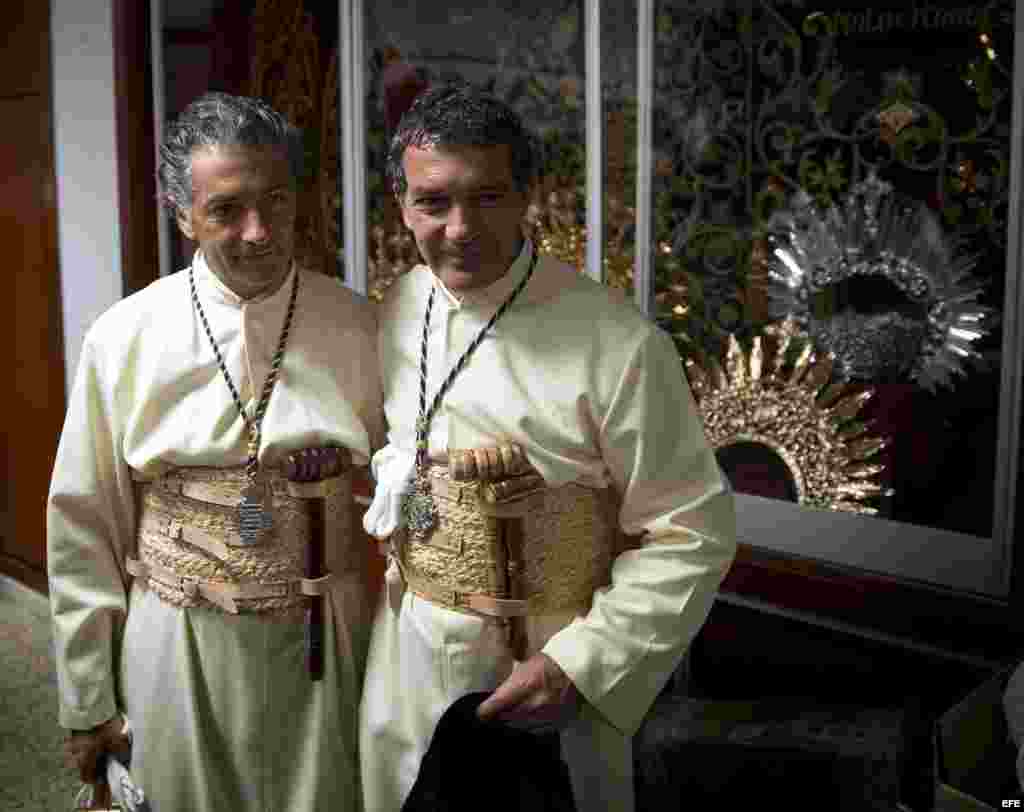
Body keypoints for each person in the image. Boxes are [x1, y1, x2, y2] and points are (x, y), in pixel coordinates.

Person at [359, 81, 737, 812]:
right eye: (433, 202)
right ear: (402, 205)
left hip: (539, 670)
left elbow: (693, 531)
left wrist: (577, 665)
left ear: (528, 195)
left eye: (489, 197)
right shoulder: (399, 305)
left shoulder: (619, 344)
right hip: (405, 650)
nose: (461, 228)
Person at [47, 91, 383, 812]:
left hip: (326, 636)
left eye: (276, 201)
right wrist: (87, 698)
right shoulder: (124, 336)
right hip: (178, 639)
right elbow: (84, 527)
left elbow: (403, 485)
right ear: (182, 214)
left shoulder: (362, 325)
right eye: (227, 209)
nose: (258, 231)